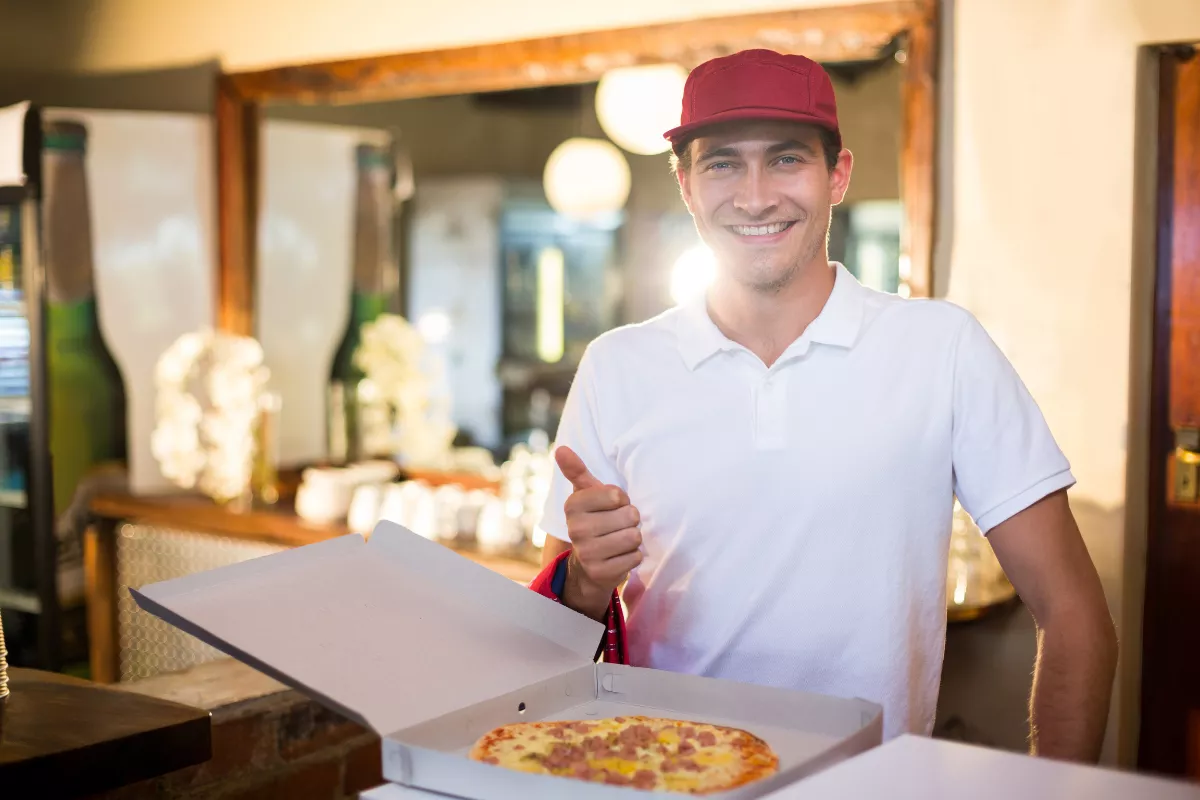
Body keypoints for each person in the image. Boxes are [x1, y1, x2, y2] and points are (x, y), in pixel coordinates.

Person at [529, 48, 1117, 763]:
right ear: (685, 184)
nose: (754, 196)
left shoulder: (942, 348)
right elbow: (547, 640)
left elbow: (1074, 614)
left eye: (785, 160)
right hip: (666, 776)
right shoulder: (618, 365)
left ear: (837, 175)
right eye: (721, 164)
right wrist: (589, 579)